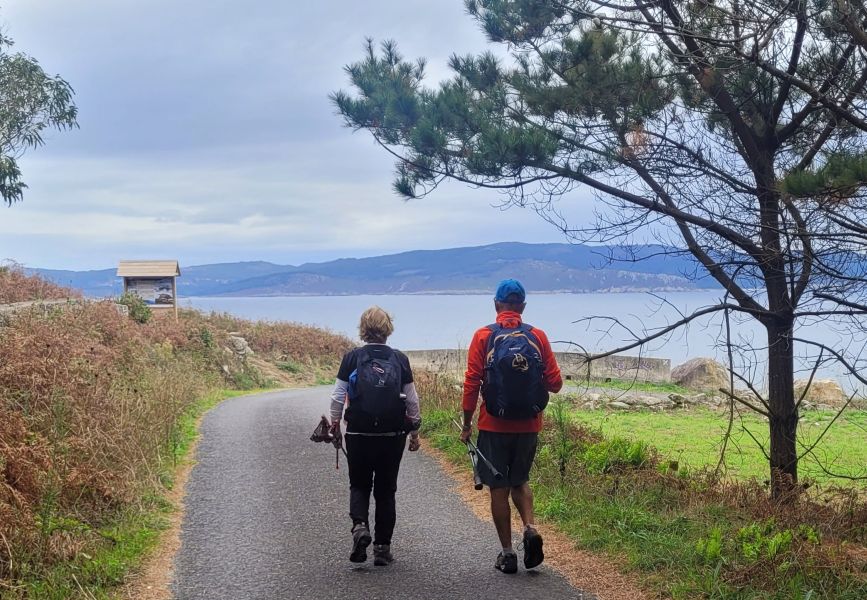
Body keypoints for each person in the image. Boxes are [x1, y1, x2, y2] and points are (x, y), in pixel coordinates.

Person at [460, 279, 562, 574]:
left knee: (498, 488)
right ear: (523, 307)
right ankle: (530, 528)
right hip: (529, 424)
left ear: (496, 305)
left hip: (493, 424)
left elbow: (471, 383)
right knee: (521, 480)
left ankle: (507, 554)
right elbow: (555, 384)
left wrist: (467, 424)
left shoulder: (483, 336)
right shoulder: (538, 337)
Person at [329, 306, 421, 566]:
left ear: (363, 329)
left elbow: (337, 397)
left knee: (359, 484)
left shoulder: (351, 358)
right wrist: (414, 431)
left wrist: (335, 426)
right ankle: (382, 549)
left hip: (358, 433)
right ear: (388, 328)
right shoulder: (400, 359)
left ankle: (359, 527)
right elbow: (412, 402)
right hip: (392, 435)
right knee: (386, 490)